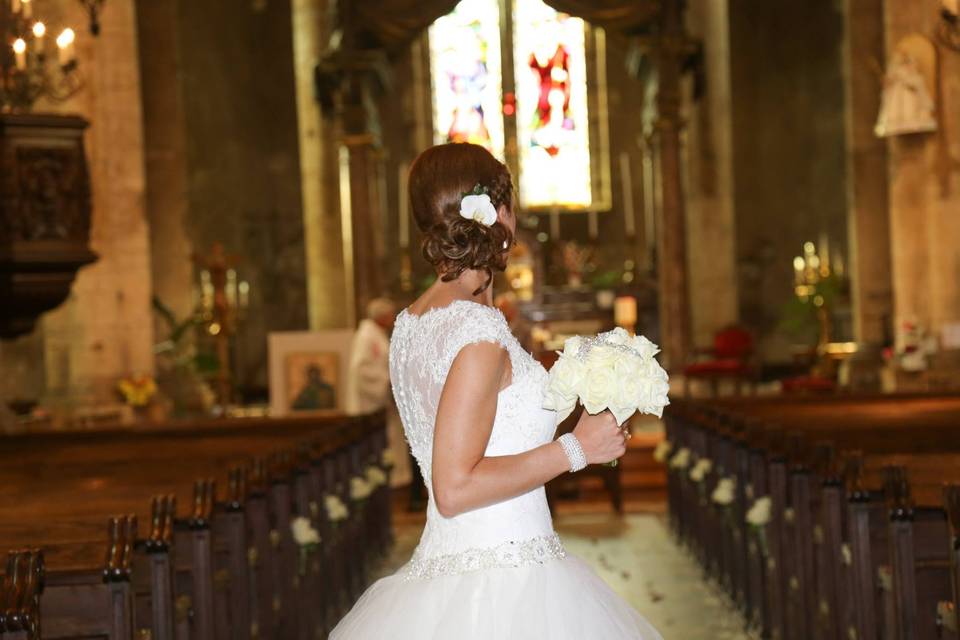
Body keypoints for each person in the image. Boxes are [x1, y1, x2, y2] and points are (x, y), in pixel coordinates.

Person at [330, 143, 662, 639]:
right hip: (505, 585)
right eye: (510, 204)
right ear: (497, 213)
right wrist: (577, 448)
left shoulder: (410, 323)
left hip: (452, 574)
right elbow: (455, 487)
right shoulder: (477, 332)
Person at [346, 297, 412, 488]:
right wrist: (386, 383)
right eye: (391, 315)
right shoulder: (367, 337)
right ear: (382, 316)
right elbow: (361, 370)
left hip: (382, 405)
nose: (393, 319)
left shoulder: (375, 334)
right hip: (371, 405)